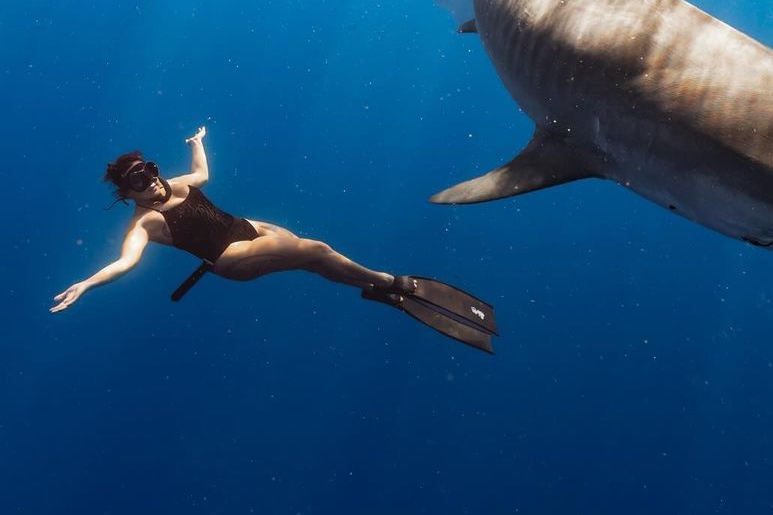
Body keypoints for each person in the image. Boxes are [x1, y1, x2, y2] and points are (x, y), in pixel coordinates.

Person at [50, 126, 498, 352]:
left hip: (246, 228)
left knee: (314, 258)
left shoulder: (176, 183)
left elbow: (203, 174)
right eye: (137, 181)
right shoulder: (144, 223)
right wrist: (86, 284)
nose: (150, 181)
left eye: (149, 171)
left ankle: (375, 292)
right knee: (316, 250)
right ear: (126, 194)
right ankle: (390, 282)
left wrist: (196, 141)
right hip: (229, 256)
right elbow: (126, 262)